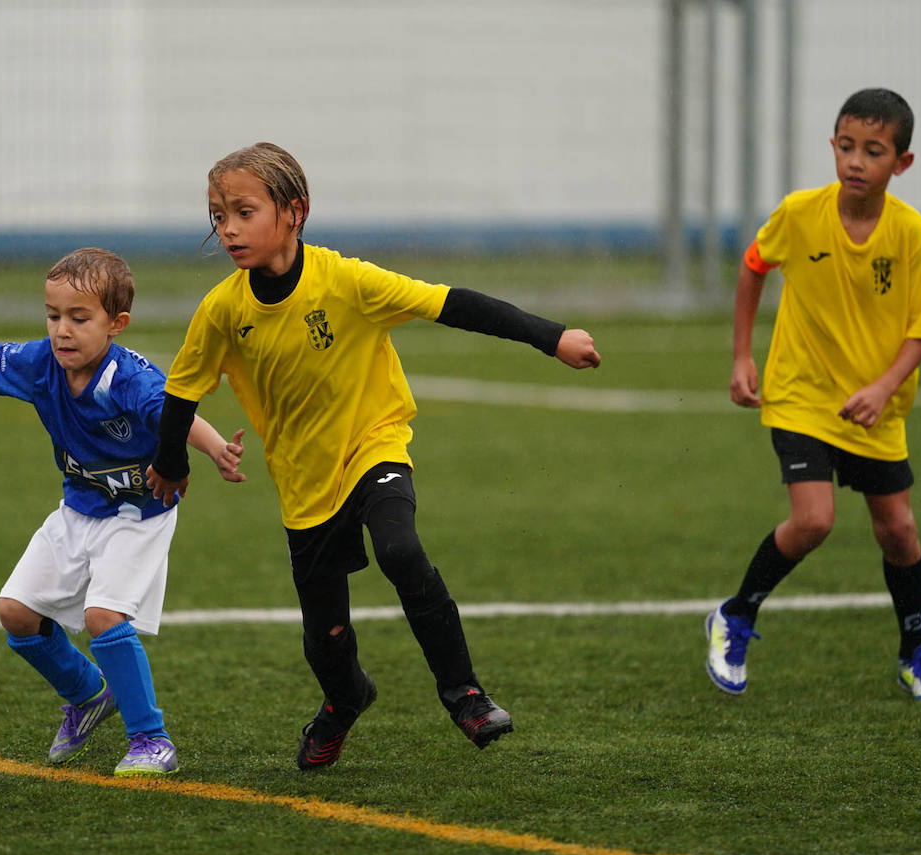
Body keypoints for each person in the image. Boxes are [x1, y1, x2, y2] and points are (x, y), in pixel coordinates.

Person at [145, 142, 601, 770]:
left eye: (244, 213)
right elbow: (181, 390)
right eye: (218, 216)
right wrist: (172, 463)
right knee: (326, 636)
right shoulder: (223, 310)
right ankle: (345, 699)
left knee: (401, 549)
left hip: (373, 444)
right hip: (304, 481)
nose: (228, 229)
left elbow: (450, 303)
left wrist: (552, 337)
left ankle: (465, 693)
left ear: (294, 211)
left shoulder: (347, 281)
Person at [0, 247, 246, 775]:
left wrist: (217, 449)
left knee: (102, 617)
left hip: (139, 514)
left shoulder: (130, 379)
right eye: (53, 316)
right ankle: (88, 694)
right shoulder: (42, 363)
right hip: (78, 508)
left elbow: (176, 416)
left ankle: (151, 740)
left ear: (116, 324)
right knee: (16, 612)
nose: (62, 331)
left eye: (79, 318)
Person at [708, 88, 921, 702]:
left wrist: (883, 387)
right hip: (801, 394)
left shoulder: (910, 233)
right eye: (846, 146)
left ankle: (915, 653)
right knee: (814, 519)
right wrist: (742, 356)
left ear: (902, 163)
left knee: (898, 530)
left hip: (875, 407)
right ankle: (736, 616)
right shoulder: (800, 213)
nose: (855, 161)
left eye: (873, 151)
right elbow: (754, 265)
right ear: (833, 146)